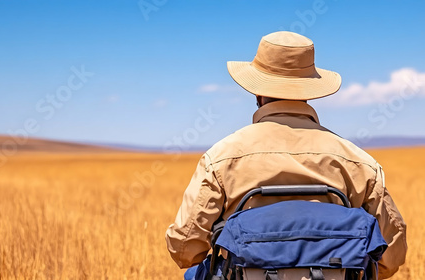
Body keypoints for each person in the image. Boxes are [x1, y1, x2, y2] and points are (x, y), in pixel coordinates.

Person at [165, 31, 407, 279]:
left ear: (257, 93)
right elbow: (391, 258)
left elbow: (184, 251)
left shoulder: (220, 158)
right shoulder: (359, 162)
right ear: (309, 90)